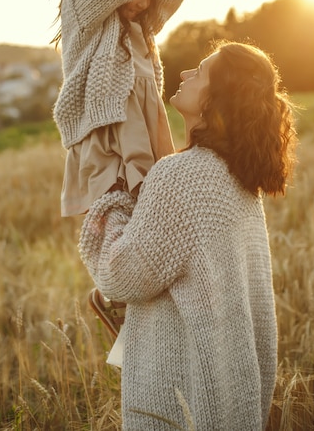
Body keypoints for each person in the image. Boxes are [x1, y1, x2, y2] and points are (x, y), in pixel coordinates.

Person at [78, 40, 297, 431]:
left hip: (182, 403)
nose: (184, 74)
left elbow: (120, 276)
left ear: (218, 98)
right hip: (232, 398)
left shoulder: (181, 176)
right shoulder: (242, 181)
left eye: (199, 72)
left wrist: (110, 207)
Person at [51, 0, 189, 334]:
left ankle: (136, 315)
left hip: (147, 138)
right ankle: (114, 297)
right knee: (120, 220)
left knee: (155, 222)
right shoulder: (86, 12)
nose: (143, 0)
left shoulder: (143, 27)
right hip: (107, 138)